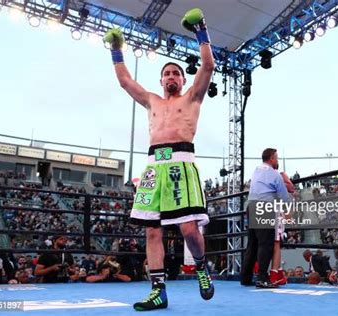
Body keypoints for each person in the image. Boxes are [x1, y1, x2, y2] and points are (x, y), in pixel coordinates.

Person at [103, 7, 215, 311]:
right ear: (161, 79)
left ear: (181, 78)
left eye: (176, 73)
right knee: (152, 230)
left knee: (189, 229)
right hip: (154, 165)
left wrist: (201, 31)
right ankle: (158, 290)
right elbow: (126, 82)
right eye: (167, 73)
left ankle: (202, 267)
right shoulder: (152, 101)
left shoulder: (192, 97)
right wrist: (117, 50)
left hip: (181, 162)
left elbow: (207, 66)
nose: (171, 77)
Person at [240, 148, 290, 288]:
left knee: (253, 243)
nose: (278, 160)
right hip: (264, 207)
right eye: (277, 158)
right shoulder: (274, 174)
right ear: (272, 159)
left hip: (251, 206)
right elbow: (284, 196)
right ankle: (262, 278)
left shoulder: (256, 170)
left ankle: (245, 277)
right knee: (265, 244)